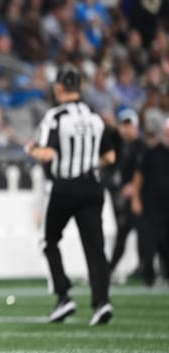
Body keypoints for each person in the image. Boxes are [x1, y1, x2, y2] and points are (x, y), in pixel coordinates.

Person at [25, 63, 116, 326]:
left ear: (61, 87)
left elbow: (48, 153)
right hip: (92, 186)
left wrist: (30, 148)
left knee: (48, 240)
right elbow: (110, 156)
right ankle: (102, 302)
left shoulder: (55, 117)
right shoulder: (95, 116)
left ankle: (63, 296)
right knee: (95, 248)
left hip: (64, 187)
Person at [108, 109, 146, 279]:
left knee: (146, 234)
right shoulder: (121, 145)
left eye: (128, 125)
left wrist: (134, 187)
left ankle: (146, 268)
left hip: (140, 198)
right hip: (123, 198)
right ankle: (143, 268)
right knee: (127, 233)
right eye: (123, 125)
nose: (124, 129)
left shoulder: (141, 147)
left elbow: (146, 172)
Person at [130, 119, 169, 287]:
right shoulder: (151, 153)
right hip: (152, 205)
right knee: (150, 242)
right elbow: (138, 178)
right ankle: (148, 277)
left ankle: (166, 275)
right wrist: (136, 199)